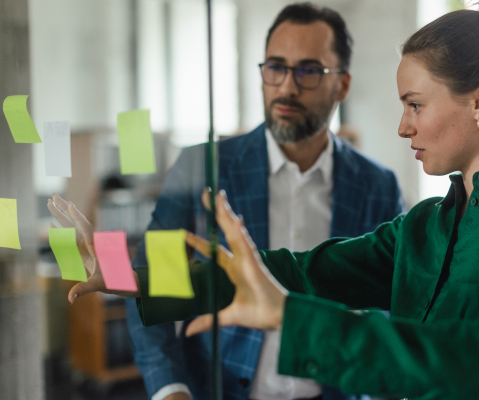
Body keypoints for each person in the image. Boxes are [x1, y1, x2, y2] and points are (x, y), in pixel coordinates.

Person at [85, 0, 479, 398]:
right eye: (275, 68)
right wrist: (131, 276)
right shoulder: (425, 227)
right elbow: (297, 271)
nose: (402, 126)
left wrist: (292, 318)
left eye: (415, 104)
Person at [48, 3, 404, 400]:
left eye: (308, 70)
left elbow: (392, 309)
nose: (286, 86)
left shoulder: (378, 185)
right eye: (275, 67)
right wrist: (171, 390)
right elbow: (155, 287)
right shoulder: (203, 168)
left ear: (342, 85)